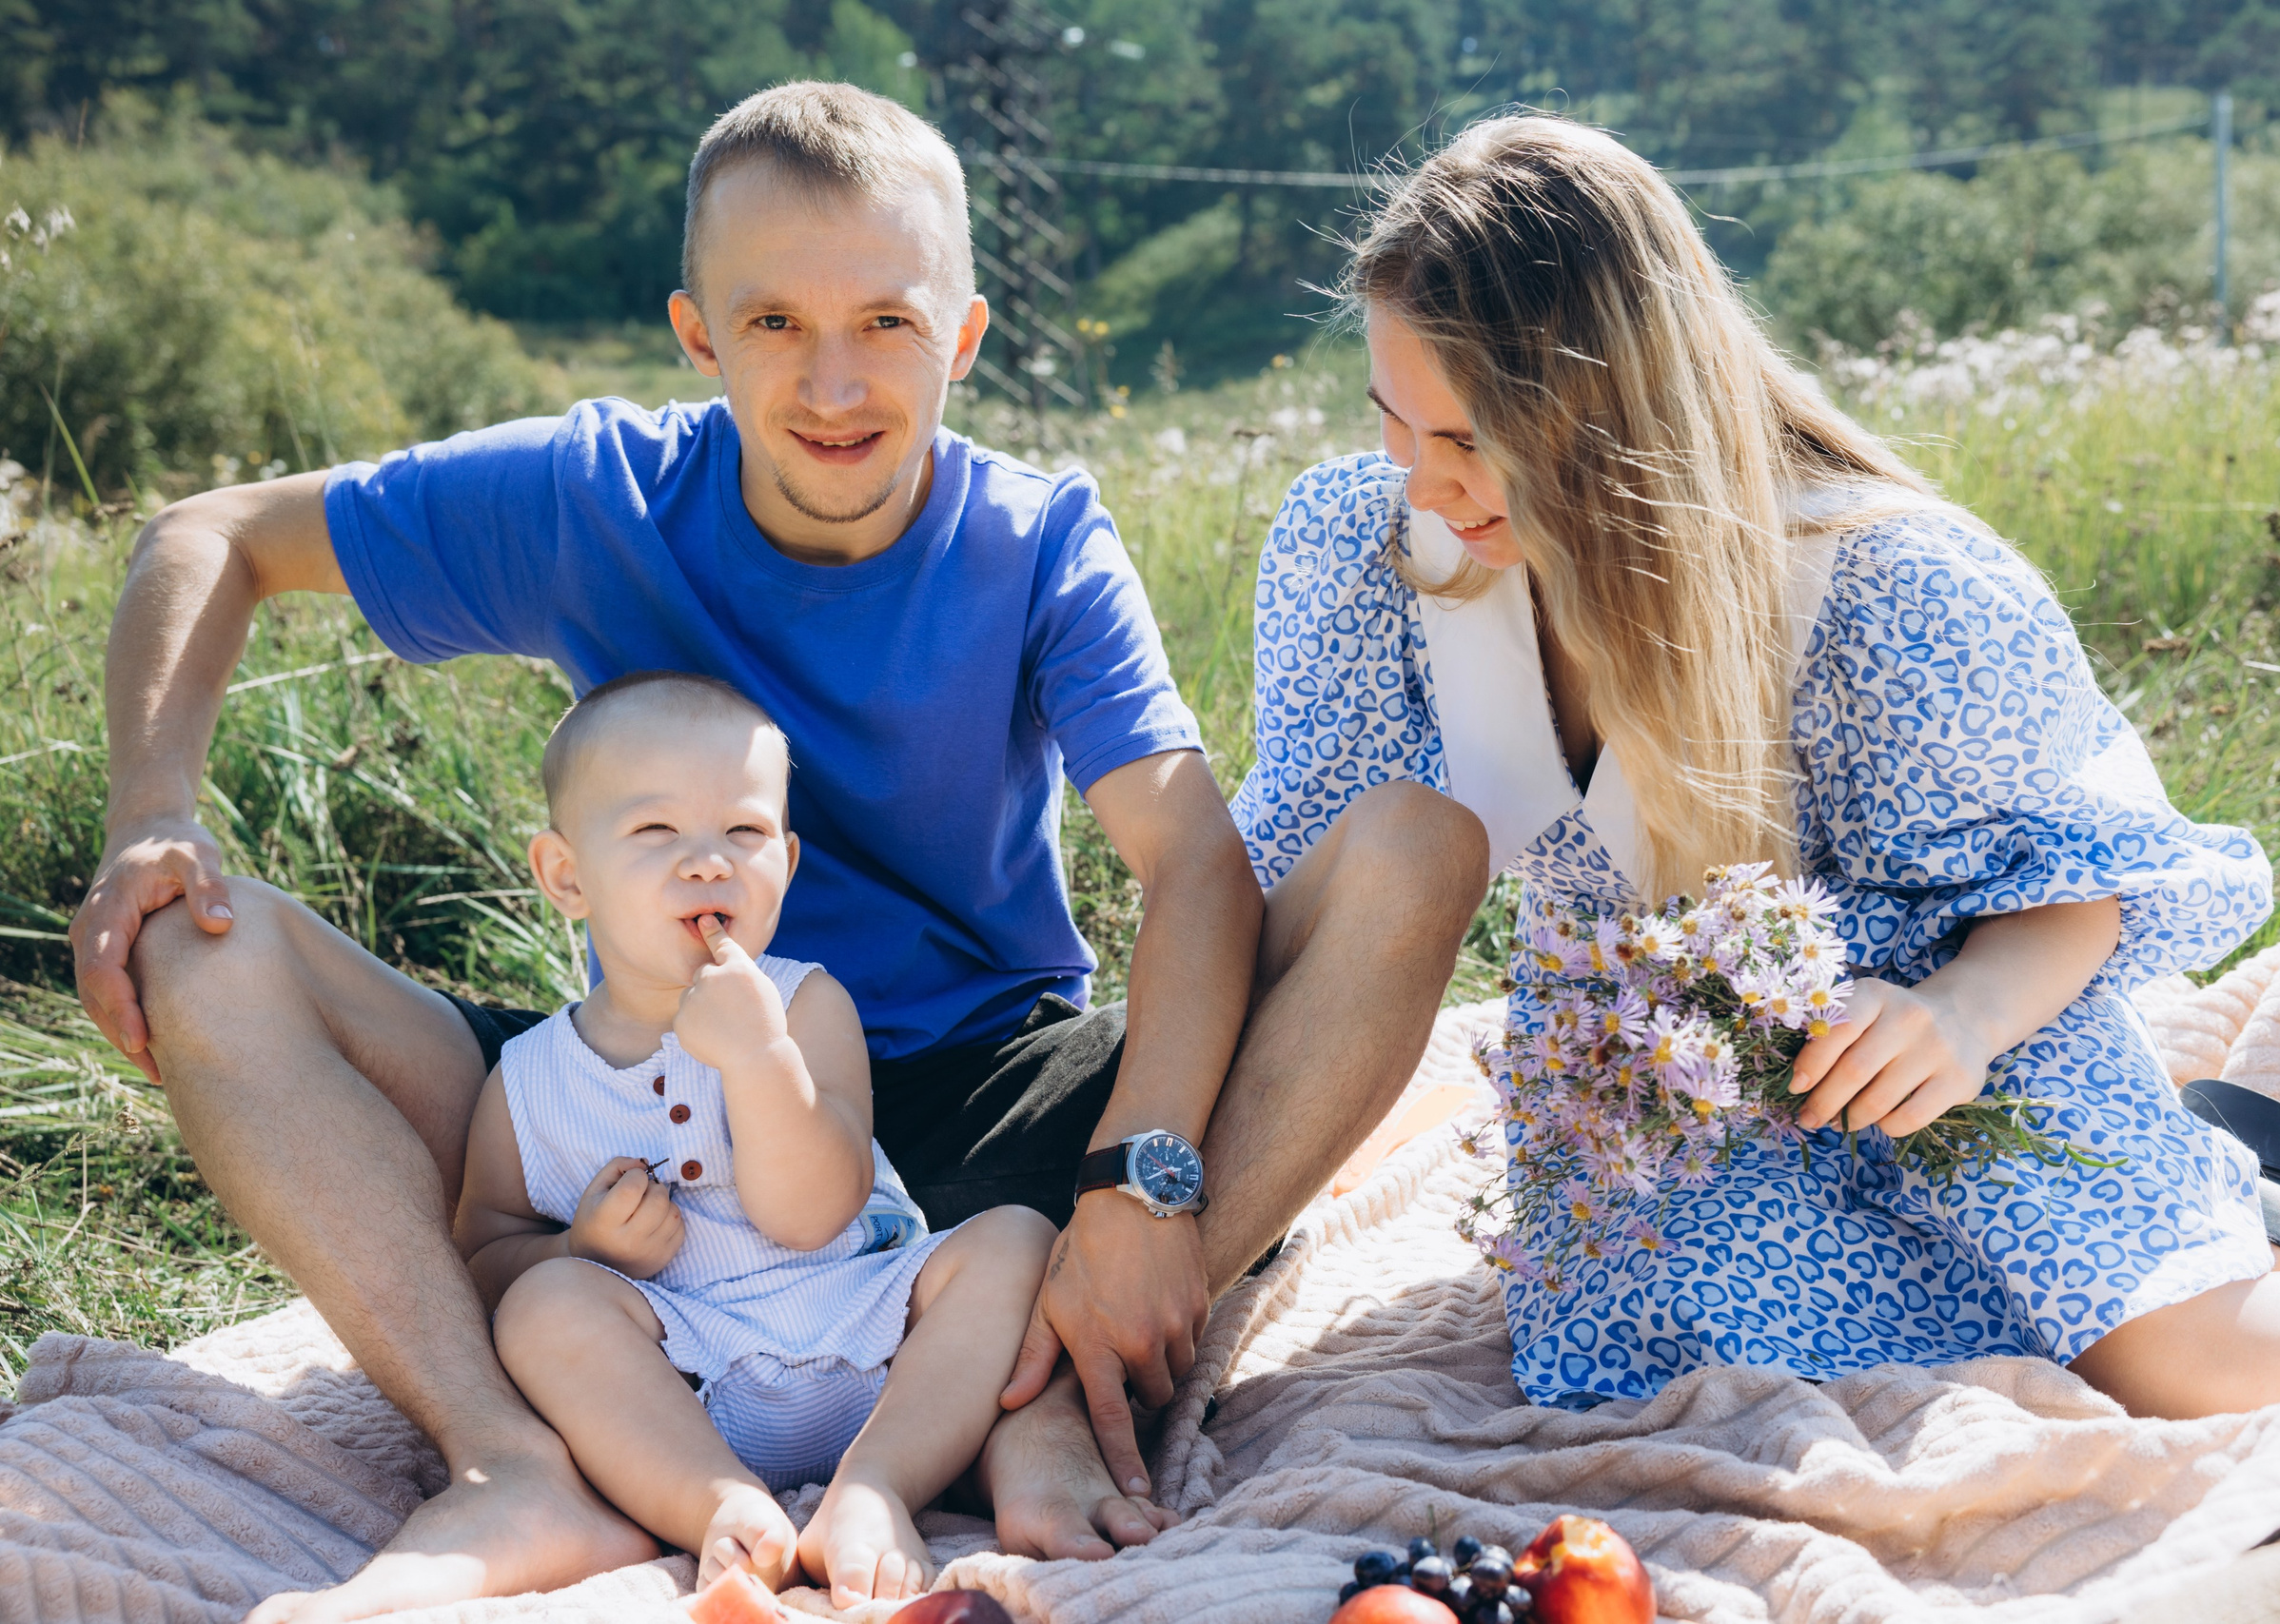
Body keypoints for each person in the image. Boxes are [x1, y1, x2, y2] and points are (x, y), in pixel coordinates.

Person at [70, 82, 1487, 1621]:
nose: (833, 382)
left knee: (1415, 849)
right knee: (193, 937)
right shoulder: (592, 494)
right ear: (698, 334)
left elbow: (1196, 866)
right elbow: (209, 535)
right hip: (644, 1106)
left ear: (963, 335)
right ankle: (508, 1458)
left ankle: (1068, 1375)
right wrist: (152, 815)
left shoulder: (1038, 539)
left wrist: (1136, 1188)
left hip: (981, 1104)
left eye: (886, 320)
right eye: (773, 323)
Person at [1228, 112, 2280, 1418]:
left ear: (1610, 416)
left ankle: (2241, 1248)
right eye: (1393, 422)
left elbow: (2074, 883)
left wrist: (1959, 1016)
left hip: (1948, 1052)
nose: (1421, 480)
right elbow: (1286, 877)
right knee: (1698, 1379)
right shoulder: (1377, 553)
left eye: (1467, 440)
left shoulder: (1890, 587)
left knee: (2197, 1367)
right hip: (1674, 1094)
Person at [460, 671, 1051, 1604]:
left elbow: (814, 1215)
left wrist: (759, 1057)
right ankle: (722, 1506)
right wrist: (579, 1249)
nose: (707, 863)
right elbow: (484, 1257)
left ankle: (875, 1486)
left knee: (1016, 1240)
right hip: (686, 1377)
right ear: (566, 875)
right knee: (545, 1308)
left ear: (787, 859)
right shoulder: (531, 1078)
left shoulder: (806, 1004)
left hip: (876, 1332)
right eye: (656, 830)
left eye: (744, 831)